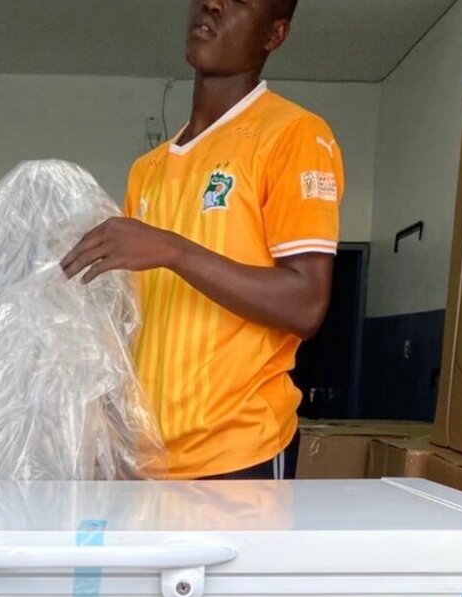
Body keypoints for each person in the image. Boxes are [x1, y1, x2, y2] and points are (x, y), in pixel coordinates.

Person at [62, 0, 344, 481]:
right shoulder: (147, 170)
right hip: (147, 456)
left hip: (238, 457)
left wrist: (173, 250)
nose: (213, 4)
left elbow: (306, 304)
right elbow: (131, 319)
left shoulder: (293, 135)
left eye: (240, 1)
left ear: (274, 34)